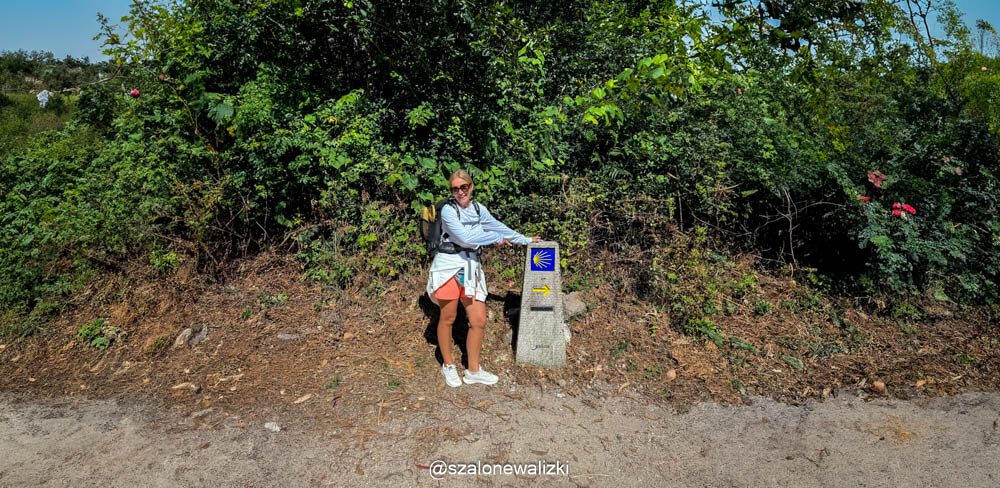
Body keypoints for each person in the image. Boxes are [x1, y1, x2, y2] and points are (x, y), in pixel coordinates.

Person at [426, 169, 540, 387]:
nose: (460, 192)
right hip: (448, 266)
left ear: (471, 187)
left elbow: (498, 227)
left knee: (478, 320)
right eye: (455, 189)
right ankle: (448, 365)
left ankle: (473, 370)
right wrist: (495, 238)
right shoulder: (449, 211)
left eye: (464, 187)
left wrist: (524, 240)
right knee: (448, 317)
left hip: (470, 267)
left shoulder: (479, 209)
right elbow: (465, 237)